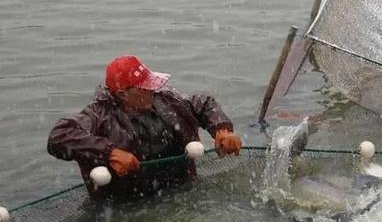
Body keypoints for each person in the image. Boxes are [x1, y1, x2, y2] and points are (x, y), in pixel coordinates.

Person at [47, 55, 242, 200]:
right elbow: (59, 136)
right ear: (123, 94)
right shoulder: (99, 115)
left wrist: (221, 130)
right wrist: (110, 153)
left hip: (182, 191)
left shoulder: (166, 100)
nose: (152, 90)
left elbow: (203, 103)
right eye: (145, 87)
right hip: (123, 205)